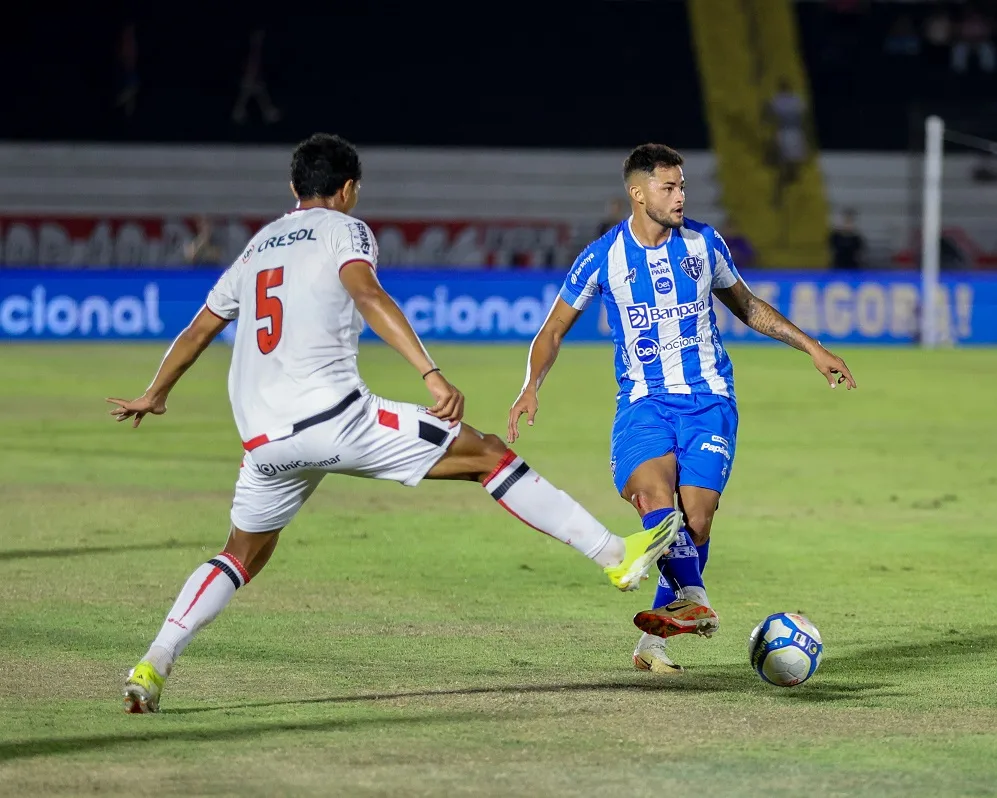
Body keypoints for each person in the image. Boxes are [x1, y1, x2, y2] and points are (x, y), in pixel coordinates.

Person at [108, 134, 680, 713]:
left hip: (263, 440)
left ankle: (155, 659)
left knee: (239, 554)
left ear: (293, 188)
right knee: (487, 454)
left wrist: (155, 394)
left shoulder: (257, 247)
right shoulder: (345, 230)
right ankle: (614, 555)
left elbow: (200, 328)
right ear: (350, 188)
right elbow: (368, 294)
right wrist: (430, 373)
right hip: (337, 419)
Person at [507, 143, 856, 674]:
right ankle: (695, 600)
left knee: (695, 521)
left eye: (683, 186)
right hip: (644, 402)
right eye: (668, 187)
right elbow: (553, 328)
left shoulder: (703, 242)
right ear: (638, 192)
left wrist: (812, 347)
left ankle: (656, 639)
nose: (680, 196)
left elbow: (748, 306)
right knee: (653, 497)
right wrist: (532, 383)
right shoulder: (603, 256)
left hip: (710, 399)